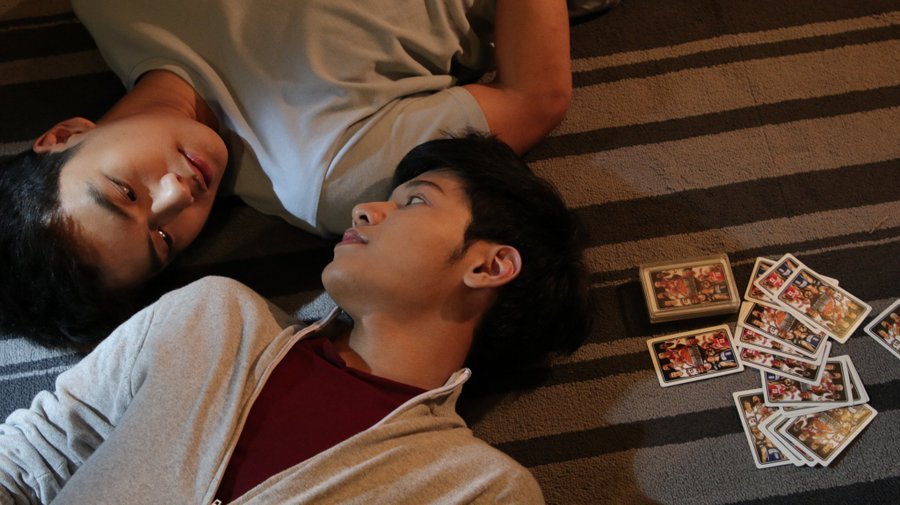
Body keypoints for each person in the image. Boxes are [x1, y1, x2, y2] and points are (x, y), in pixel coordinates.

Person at [0, 134, 590, 504]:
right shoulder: (211, 316)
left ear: (489, 266)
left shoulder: (478, 489)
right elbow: (30, 462)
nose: (365, 209)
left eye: (415, 200)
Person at [0, 0, 577, 349]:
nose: (178, 195)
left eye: (125, 192)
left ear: (64, 136)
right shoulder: (327, 177)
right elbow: (535, 96)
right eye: (163, 238)